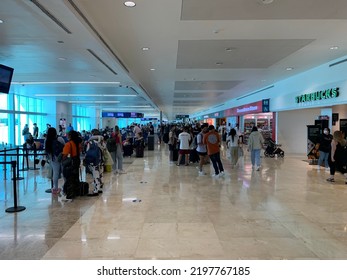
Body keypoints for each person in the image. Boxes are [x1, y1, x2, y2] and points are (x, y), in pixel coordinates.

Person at [61, 130, 82, 200]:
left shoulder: (68, 144)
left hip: (70, 163)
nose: (67, 136)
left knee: (69, 178)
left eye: (68, 135)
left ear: (70, 136)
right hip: (76, 161)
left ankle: (69, 194)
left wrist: (63, 160)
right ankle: (76, 191)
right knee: (75, 177)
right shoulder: (78, 143)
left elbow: (65, 155)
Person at [44, 127, 65, 194]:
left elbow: (46, 150)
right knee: (64, 171)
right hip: (61, 157)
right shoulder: (59, 139)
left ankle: (55, 188)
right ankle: (65, 186)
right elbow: (64, 146)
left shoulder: (47, 140)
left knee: (55, 173)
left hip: (52, 158)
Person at [85, 129, 105, 196]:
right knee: (100, 174)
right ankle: (99, 188)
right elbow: (104, 149)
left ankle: (96, 190)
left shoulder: (91, 142)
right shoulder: (102, 141)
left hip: (93, 160)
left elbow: (87, 151)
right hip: (101, 159)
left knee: (95, 174)